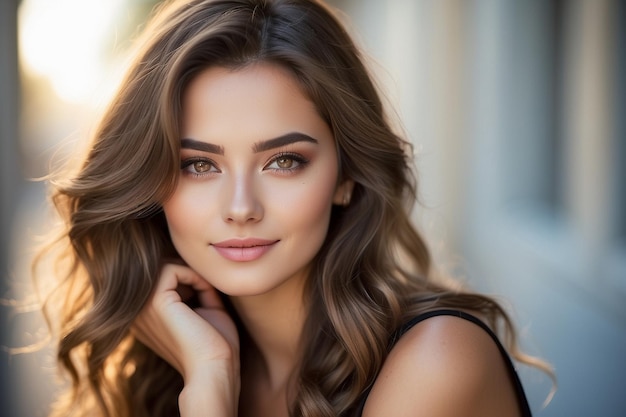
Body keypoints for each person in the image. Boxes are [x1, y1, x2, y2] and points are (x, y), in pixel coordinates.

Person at [36, 0, 553, 416]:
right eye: (197, 165)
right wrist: (208, 369)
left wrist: (211, 394)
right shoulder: (166, 365)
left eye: (283, 161)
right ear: (149, 182)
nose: (241, 208)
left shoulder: (438, 361)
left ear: (346, 176)